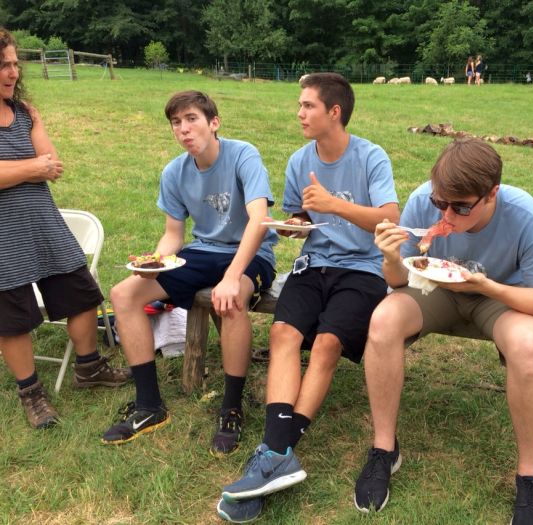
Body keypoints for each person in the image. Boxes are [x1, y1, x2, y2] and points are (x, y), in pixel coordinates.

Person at [217, 72, 399, 523]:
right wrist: (294, 225)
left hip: (362, 270)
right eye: (299, 105)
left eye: (307, 106)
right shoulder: (300, 160)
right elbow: (300, 215)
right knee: (282, 334)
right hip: (313, 265)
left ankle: (273, 450)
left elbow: (389, 219)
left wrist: (335, 204)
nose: (299, 113)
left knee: (327, 344)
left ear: (334, 112)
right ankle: (278, 454)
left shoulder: (370, 156)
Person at [353, 138, 533, 524]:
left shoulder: (523, 215)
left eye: (461, 207)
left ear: (492, 193)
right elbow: (399, 281)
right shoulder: (423, 199)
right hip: (438, 291)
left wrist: (487, 287)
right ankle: (384, 449)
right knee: (383, 321)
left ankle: (531, 475)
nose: (447, 214)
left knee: (527, 345)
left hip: (499, 295)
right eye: (440, 203)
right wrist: (389, 257)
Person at [102, 90, 277, 454]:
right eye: (176, 122)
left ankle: (231, 408)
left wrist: (232, 277)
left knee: (231, 299)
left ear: (214, 123)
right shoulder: (174, 172)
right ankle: (149, 406)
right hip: (201, 251)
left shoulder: (243, 154)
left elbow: (259, 220)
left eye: (191, 119)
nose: (183, 129)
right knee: (123, 294)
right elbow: (173, 235)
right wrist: (154, 263)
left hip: (251, 252)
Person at [0, 27, 131, 430]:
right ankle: (31, 393)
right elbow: (39, 166)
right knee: (12, 317)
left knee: (81, 292)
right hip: (3, 236)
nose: (13, 73)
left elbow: (52, 164)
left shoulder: (24, 114)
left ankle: (89, 367)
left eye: (14, 64)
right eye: (3, 65)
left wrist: (26, 166)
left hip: (43, 222)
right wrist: (31, 169)